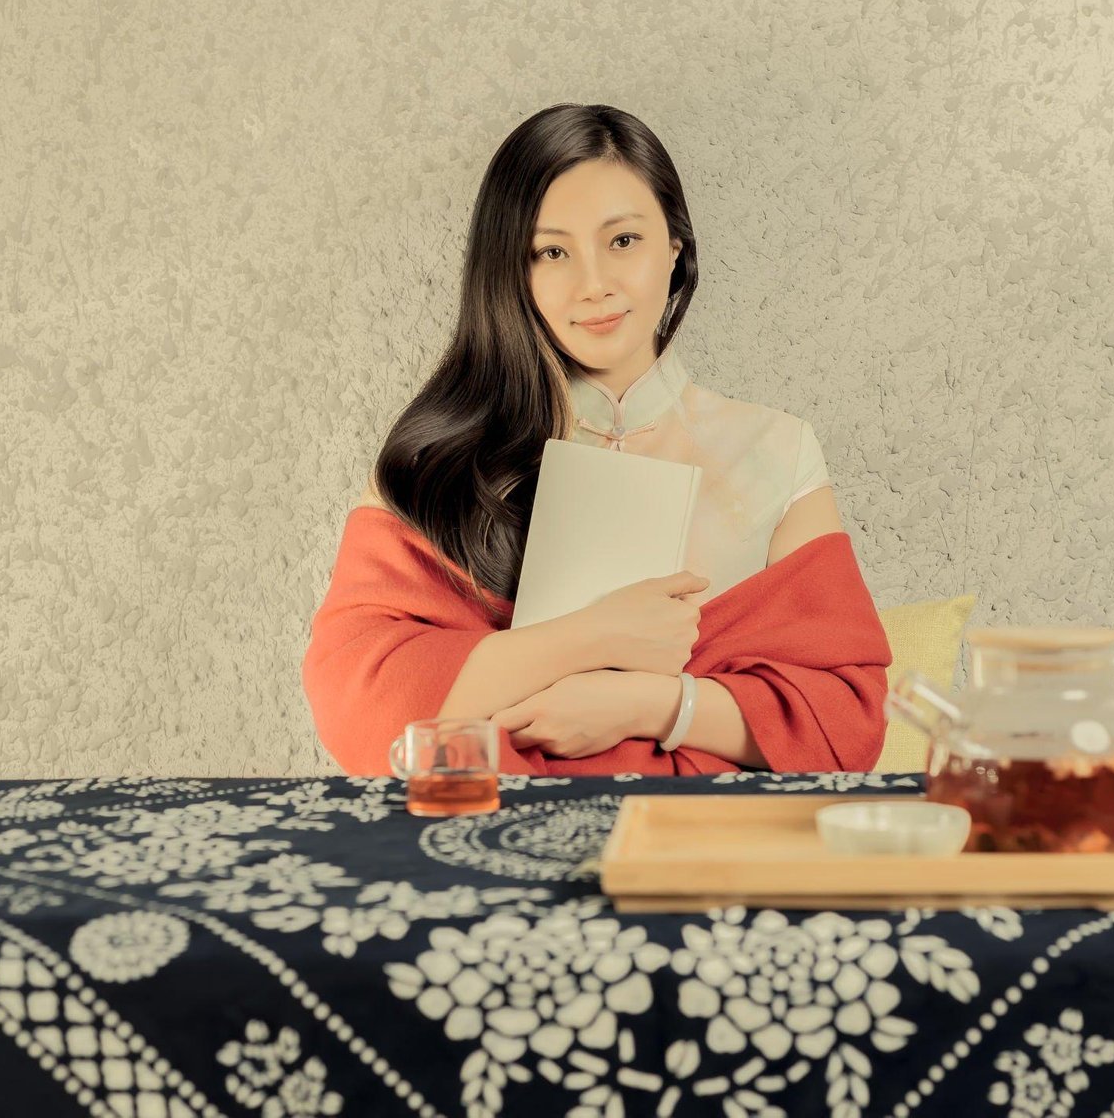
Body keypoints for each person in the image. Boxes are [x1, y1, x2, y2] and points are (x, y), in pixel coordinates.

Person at [303, 103, 891, 775]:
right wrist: (592, 637)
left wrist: (648, 705)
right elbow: (360, 699)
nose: (595, 285)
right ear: (511, 272)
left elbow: (844, 723)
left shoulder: (775, 452)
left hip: (702, 858)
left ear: (675, 246)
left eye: (623, 241)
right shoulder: (435, 462)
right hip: (490, 851)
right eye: (552, 252)